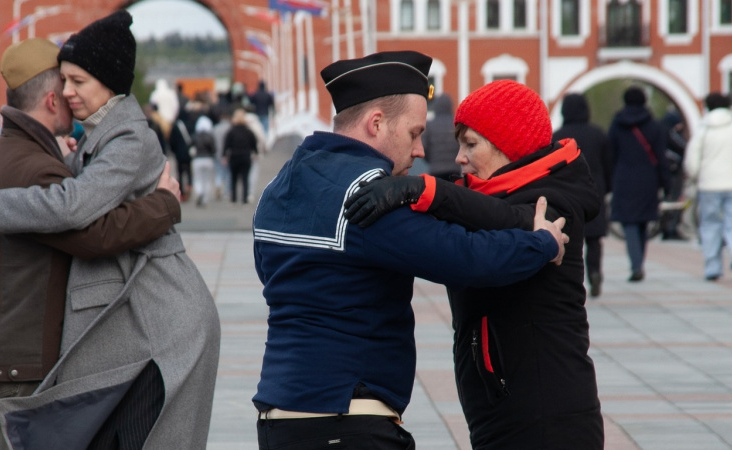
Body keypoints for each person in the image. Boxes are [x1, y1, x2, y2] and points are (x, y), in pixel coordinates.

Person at [253, 51, 570, 450]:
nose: (419, 149)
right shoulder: (366, 192)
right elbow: (464, 257)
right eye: (413, 133)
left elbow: (269, 273)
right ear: (376, 123)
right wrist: (541, 241)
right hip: (347, 421)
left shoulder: (280, 184)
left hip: (277, 419)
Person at [0, 11, 220, 449]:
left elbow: (76, 207)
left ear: (109, 82)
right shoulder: (99, 138)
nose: (67, 93)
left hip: (161, 319)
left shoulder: (128, 138)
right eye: (64, 82)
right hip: (134, 318)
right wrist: (72, 156)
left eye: (78, 82)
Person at [344, 79, 604, 448]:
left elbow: (506, 219)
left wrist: (424, 189)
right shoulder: (483, 195)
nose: (460, 157)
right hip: (497, 405)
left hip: (547, 411)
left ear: (510, 146)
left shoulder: (554, 202)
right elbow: (477, 207)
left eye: (471, 144)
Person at [608, 86, 671, 281]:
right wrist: (666, 183)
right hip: (647, 180)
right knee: (643, 222)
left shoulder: (617, 125)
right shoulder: (654, 125)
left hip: (624, 178)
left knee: (629, 224)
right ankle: (638, 263)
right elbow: (661, 157)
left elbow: (610, 155)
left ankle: (635, 264)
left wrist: (609, 182)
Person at [553, 92, 612, 297]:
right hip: (594, 190)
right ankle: (595, 272)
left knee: (568, 238)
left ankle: (570, 281)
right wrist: (608, 187)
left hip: (565, 192)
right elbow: (608, 164)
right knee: (594, 239)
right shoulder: (598, 134)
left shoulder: (558, 135)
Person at [684, 92, 732, 281]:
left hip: (709, 185)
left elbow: (692, 160)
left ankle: (712, 266)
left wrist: (696, 175)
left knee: (710, 224)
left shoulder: (703, 129)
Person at [660, 110, 689, 240]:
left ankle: (666, 226)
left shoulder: (660, 130)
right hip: (673, 169)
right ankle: (670, 228)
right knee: (674, 198)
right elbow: (682, 146)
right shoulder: (670, 131)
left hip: (663, 170)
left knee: (668, 198)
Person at [422, 93, 461, 180]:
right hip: (454, 169)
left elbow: (424, 147)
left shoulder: (430, 125)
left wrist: (431, 160)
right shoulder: (456, 124)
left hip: (436, 169)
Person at [223, 108, 258, 204]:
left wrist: (224, 155)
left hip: (234, 156)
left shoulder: (231, 131)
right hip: (245, 156)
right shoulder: (248, 131)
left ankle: (234, 197)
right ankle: (244, 198)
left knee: (233, 178)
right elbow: (254, 144)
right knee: (245, 178)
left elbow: (226, 144)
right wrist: (256, 153)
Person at [191, 115, 216, 206]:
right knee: (207, 180)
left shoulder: (195, 136)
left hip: (197, 159)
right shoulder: (210, 136)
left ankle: (199, 192)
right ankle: (205, 199)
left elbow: (191, 146)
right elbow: (213, 149)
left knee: (198, 179)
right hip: (208, 159)